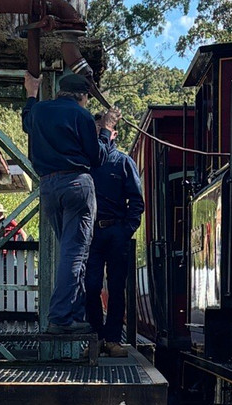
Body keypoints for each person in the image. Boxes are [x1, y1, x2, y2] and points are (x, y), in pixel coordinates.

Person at [22, 70, 120, 335]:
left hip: (48, 186)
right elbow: (98, 157)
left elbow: (26, 122)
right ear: (83, 96)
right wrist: (107, 130)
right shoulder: (82, 116)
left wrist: (31, 93)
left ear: (59, 91)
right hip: (76, 183)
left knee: (71, 252)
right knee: (75, 253)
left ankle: (74, 314)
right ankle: (61, 317)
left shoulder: (40, 111)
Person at [85, 110, 144, 358]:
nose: (101, 135)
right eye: (97, 131)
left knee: (117, 288)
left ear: (113, 134)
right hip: (91, 234)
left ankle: (113, 340)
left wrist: (126, 229)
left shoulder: (123, 162)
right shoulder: (85, 162)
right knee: (91, 286)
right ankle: (96, 338)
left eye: (104, 131)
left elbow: (137, 201)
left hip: (116, 231)